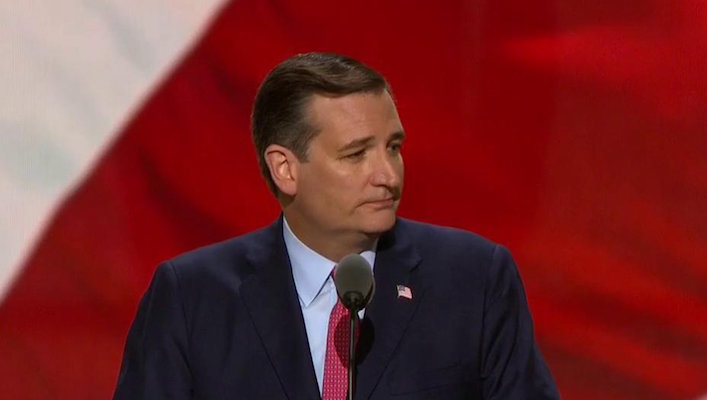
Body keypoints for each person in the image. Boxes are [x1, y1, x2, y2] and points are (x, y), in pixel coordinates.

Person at [113, 52, 560, 399]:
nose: (389, 174)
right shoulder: (193, 299)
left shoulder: (474, 280)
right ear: (285, 169)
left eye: (394, 147)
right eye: (356, 154)